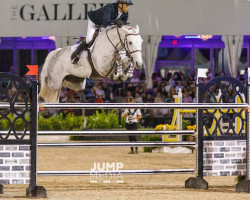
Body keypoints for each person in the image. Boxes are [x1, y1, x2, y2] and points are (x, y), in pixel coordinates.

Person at [71, 0, 133, 64]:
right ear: (120, 5)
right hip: (95, 21)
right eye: (127, 5)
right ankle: (76, 53)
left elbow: (123, 24)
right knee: (89, 39)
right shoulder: (110, 8)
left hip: (107, 24)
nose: (128, 7)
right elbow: (105, 22)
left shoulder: (125, 12)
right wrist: (116, 22)